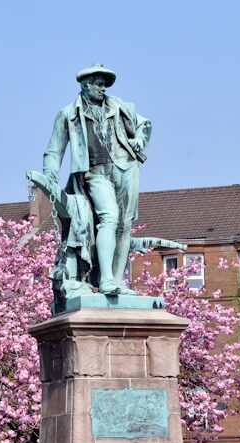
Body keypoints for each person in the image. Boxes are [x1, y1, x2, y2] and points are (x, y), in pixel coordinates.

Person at [43, 63, 151, 295]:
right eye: (99, 85)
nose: (103, 89)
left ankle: (117, 282)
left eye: (105, 85)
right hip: (95, 173)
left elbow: (144, 124)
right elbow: (54, 150)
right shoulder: (68, 113)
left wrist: (140, 140)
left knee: (125, 225)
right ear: (86, 85)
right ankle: (106, 280)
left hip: (125, 167)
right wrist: (50, 174)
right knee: (109, 217)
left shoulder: (120, 106)